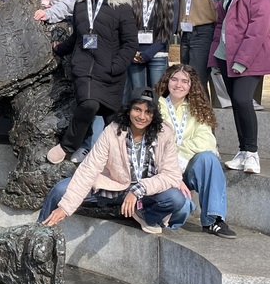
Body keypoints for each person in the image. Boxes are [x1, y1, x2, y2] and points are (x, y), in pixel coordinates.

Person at [38, 87, 186, 235]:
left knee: (176, 198)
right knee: (60, 190)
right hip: (114, 186)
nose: (142, 116)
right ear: (128, 110)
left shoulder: (164, 133)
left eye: (148, 112)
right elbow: (89, 168)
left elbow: (172, 175)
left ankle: (144, 215)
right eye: (137, 109)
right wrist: (65, 207)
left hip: (145, 192)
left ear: (154, 115)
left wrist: (139, 189)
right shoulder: (112, 131)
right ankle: (38, 232)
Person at [49, 0, 138, 165]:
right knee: (89, 104)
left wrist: (116, 66)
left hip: (110, 71)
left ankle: (120, 160)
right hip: (84, 67)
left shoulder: (120, 5)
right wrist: (59, 48)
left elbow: (130, 42)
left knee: (112, 118)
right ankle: (67, 146)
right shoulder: (80, 3)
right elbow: (78, 36)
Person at [211, 0, 270, 174]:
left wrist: (242, 61)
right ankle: (242, 151)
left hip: (251, 57)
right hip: (226, 56)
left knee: (241, 100)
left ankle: (252, 154)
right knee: (237, 105)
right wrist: (215, 59)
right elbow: (221, 26)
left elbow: (258, 27)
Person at [156, 64, 236, 238]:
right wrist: (173, 166)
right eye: (174, 79)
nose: (179, 85)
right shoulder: (156, 106)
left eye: (185, 81)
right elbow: (156, 144)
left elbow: (207, 140)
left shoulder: (197, 107)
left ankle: (213, 219)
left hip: (186, 165)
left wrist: (181, 155)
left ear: (191, 86)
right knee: (181, 207)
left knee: (208, 158)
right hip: (162, 170)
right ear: (166, 81)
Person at [171, 0, 223, 99]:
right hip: (185, 34)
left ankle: (206, 122)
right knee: (186, 82)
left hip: (204, 33)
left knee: (197, 82)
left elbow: (219, 11)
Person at [129, 0, 178, 90]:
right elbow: (128, 26)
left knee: (157, 98)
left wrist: (148, 53)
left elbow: (169, 30)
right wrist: (133, 51)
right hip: (135, 55)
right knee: (138, 98)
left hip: (158, 54)